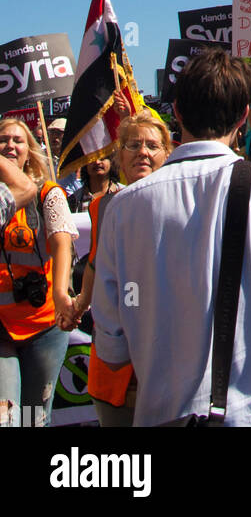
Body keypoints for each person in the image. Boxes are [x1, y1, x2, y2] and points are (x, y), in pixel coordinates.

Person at [91, 49, 251, 426]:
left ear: (177, 112)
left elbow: (111, 346)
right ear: (241, 118)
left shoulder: (123, 209)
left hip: (168, 415)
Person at [62, 111, 172, 426]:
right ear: (118, 157)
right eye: (133, 145)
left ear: (167, 153)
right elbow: (95, 264)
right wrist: (79, 305)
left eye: (152, 145)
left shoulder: (187, 203)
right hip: (117, 362)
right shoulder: (103, 207)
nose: (143, 152)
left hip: (170, 355)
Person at [0, 117, 78, 428]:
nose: (10, 145)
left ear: (30, 151)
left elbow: (62, 245)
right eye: (3, 139)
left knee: (34, 418)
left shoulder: (48, 192)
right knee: (5, 418)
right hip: (1, 328)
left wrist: (61, 294)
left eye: (18, 140)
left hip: (44, 325)